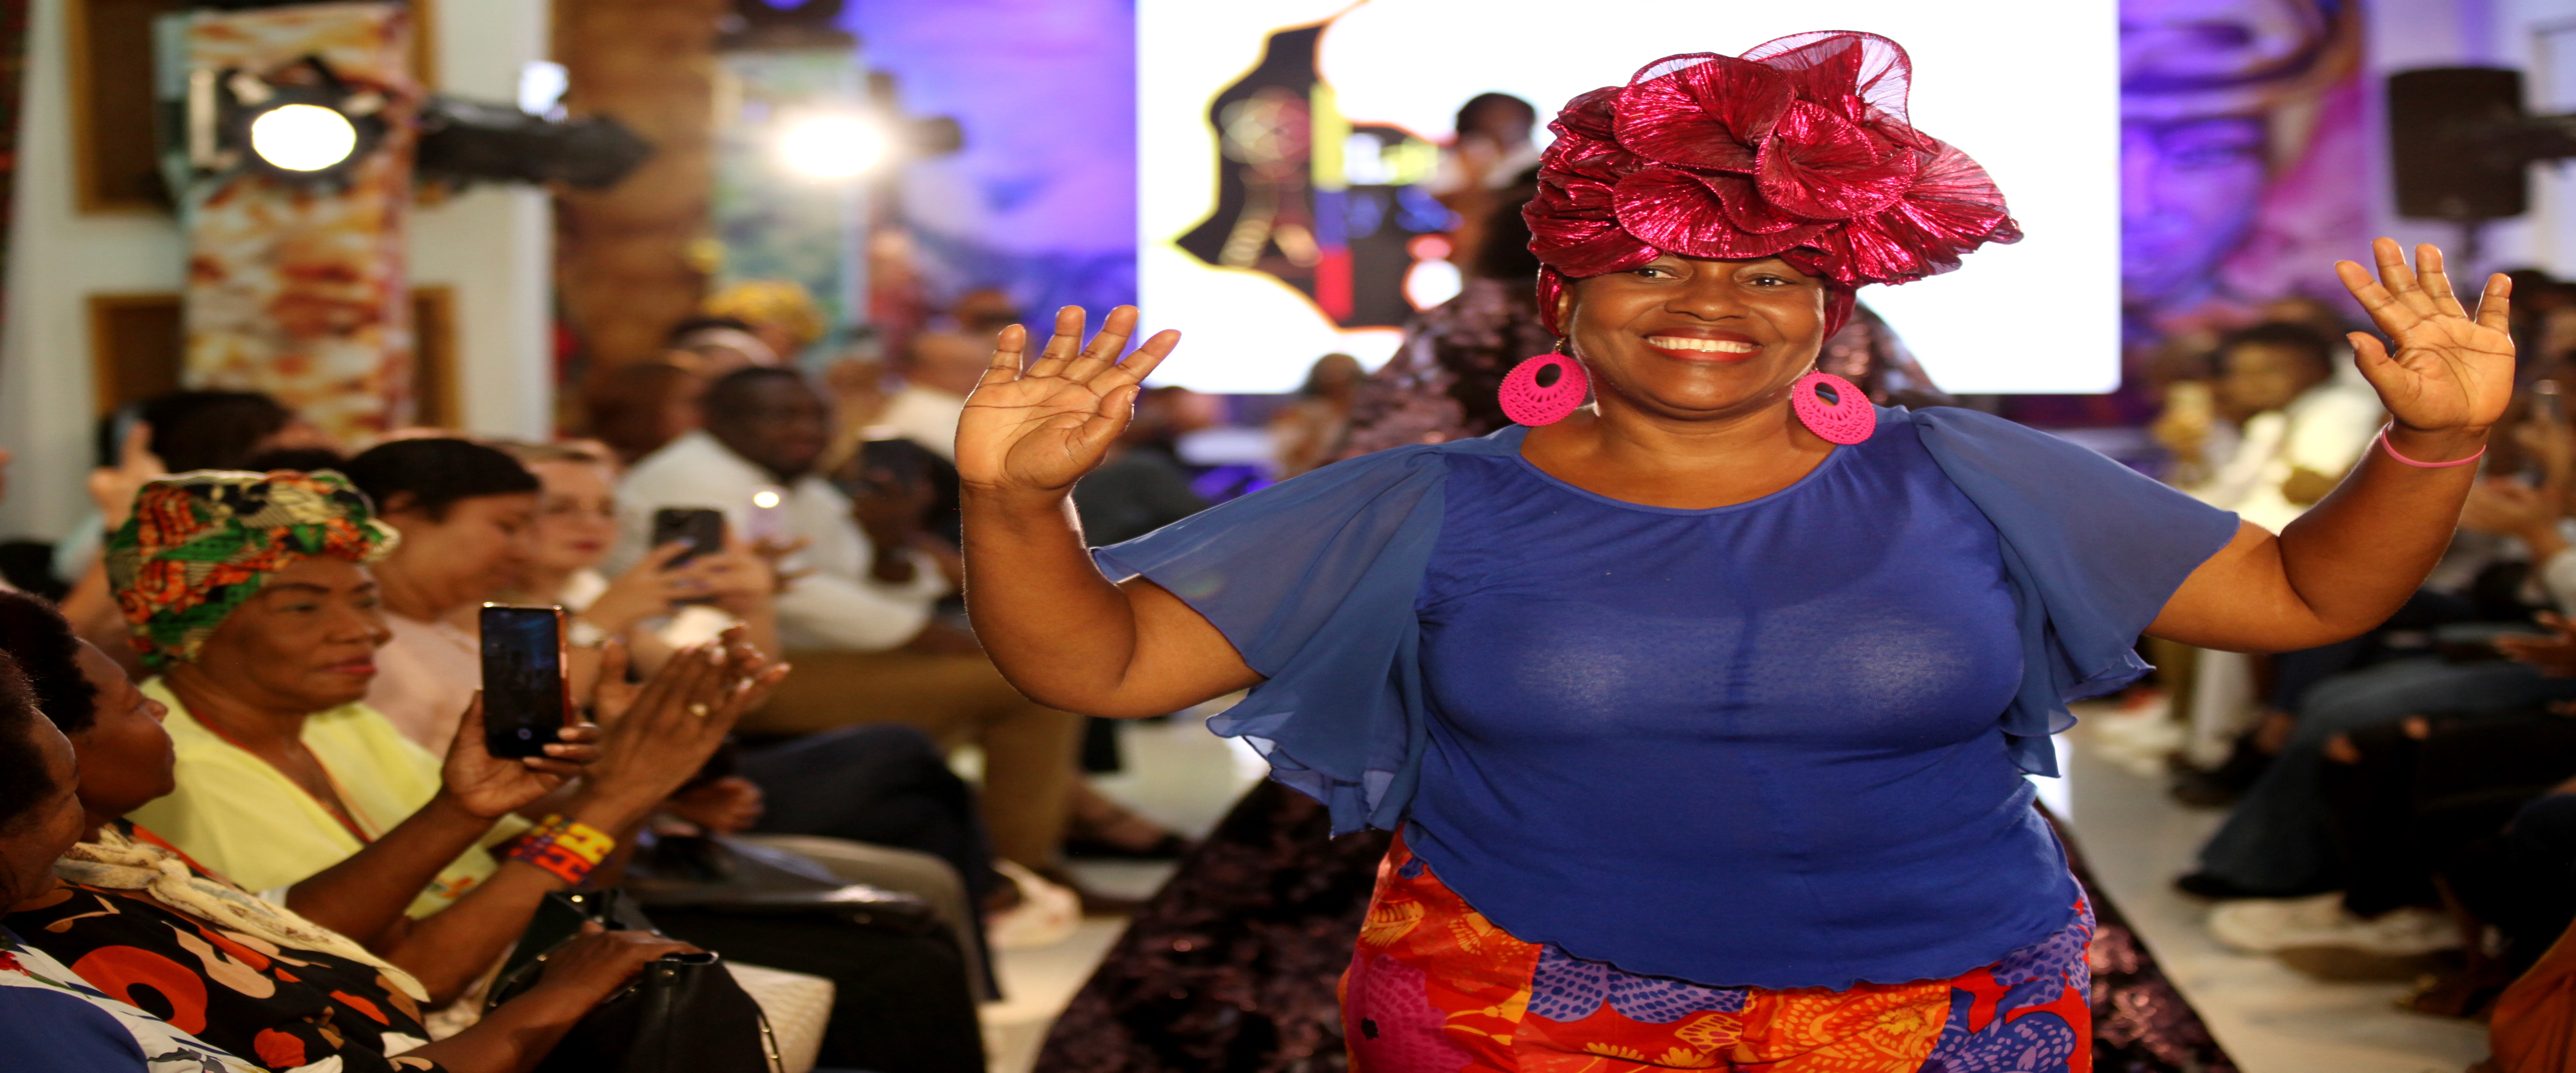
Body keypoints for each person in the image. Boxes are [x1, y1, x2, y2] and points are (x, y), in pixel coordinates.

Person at [957, 32, 2511, 1072]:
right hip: (1520, 1007)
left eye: (1769, 268)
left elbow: (2309, 593)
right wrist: (1018, 502)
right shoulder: (1421, 498)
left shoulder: (1973, 471)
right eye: (1649, 263)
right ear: (1558, 299)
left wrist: (2429, 444)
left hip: (1948, 1007)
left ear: (1828, 309)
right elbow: (1090, 657)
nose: (1713, 302)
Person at [0, 589, 705, 1073]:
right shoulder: (66, 916)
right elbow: (423, 966)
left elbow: (289, 928)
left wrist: (472, 808)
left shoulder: (108, 851)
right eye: (306, 606)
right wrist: (610, 808)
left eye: (366, 599)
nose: (366, 629)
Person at [615, 367, 1096, 880]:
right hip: (721, 670)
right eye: (782, 416)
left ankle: (985, 854)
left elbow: (854, 572)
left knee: (1020, 669)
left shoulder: (788, 479)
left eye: (819, 415)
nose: (807, 430)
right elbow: (799, 593)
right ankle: (1024, 869)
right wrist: (919, 632)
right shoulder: (694, 478)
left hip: (799, 653)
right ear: (718, 420)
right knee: (1032, 685)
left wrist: (891, 542)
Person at [339, 439, 544, 753]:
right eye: (507, 527)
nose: (524, 553)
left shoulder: (443, 631)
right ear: (401, 511)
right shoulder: (355, 651)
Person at [1271, 354, 1363, 478]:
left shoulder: (1367, 414)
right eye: (1331, 375)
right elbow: (1289, 457)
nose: (1339, 381)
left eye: (1348, 376)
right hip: (1310, 482)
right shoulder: (1300, 414)